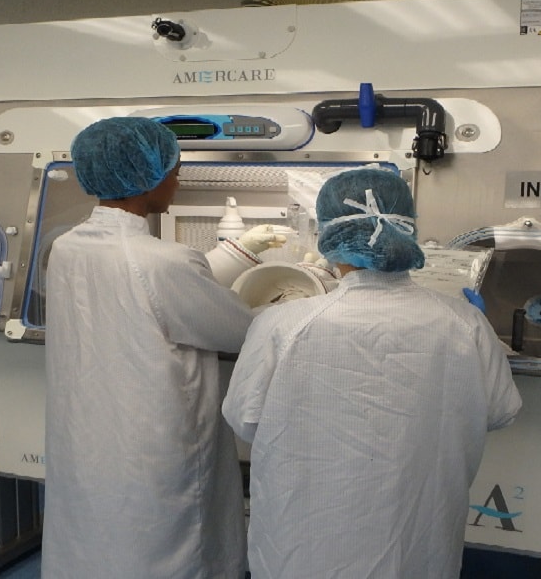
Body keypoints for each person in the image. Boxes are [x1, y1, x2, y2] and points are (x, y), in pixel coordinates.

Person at [222, 166, 522, 579]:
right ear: (407, 229)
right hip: (420, 538)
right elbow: (500, 412)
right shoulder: (463, 322)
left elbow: (245, 418)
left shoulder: (282, 324)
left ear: (328, 236)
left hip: (305, 541)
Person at [41, 116, 284, 579]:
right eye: (172, 169)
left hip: (88, 433)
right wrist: (289, 307)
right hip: (154, 439)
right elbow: (236, 329)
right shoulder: (163, 261)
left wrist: (237, 254)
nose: (177, 178)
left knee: (96, 534)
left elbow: (150, 295)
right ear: (146, 179)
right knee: (166, 543)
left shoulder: (69, 247)